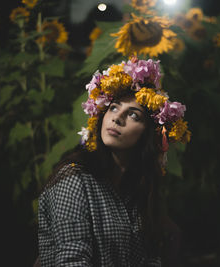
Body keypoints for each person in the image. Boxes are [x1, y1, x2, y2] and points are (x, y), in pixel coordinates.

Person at [36, 57, 191, 266]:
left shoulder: (138, 189)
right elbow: (71, 260)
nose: (117, 118)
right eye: (114, 108)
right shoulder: (74, 180)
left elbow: (150, 258)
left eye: (133, 115)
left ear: (148, 134)